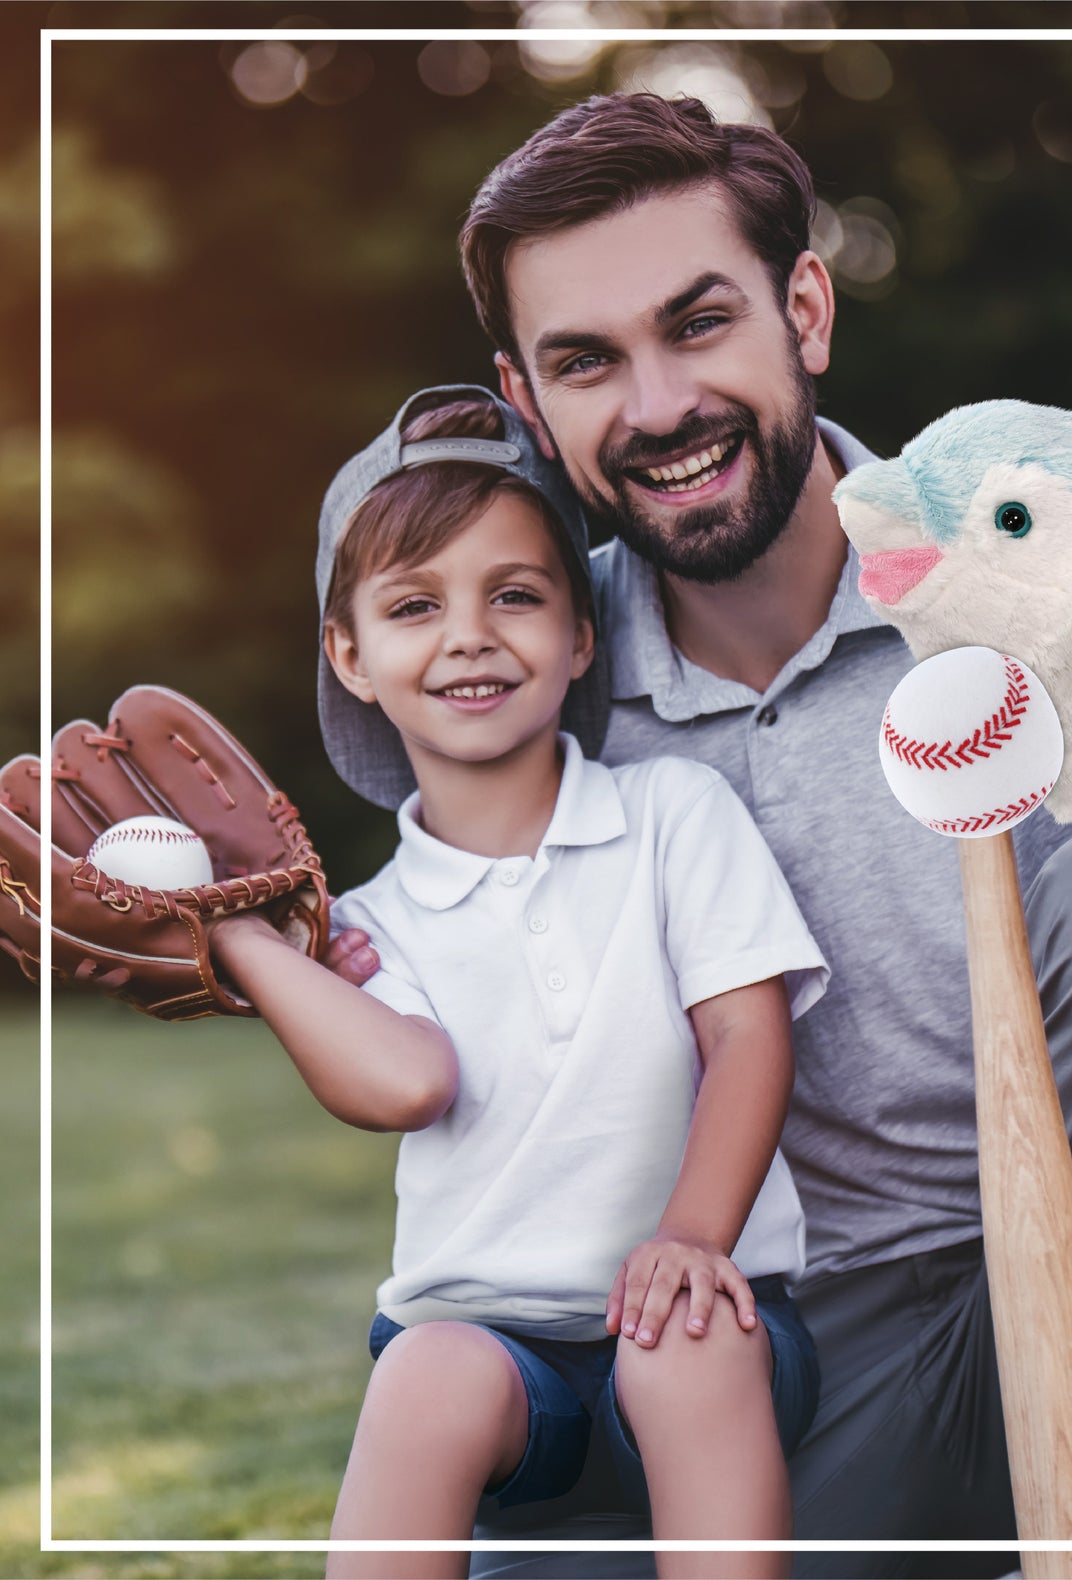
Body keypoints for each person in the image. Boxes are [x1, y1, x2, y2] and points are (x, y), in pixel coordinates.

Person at [329, 95, 1072, 1579]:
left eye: (699, 322)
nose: (656, 406)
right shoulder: (531, 661)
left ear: (805, 309)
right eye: (587, 361)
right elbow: (321, 874)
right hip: (747, 1364)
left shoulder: (1025, 553)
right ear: (526, 401)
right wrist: (172, 925)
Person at [211, 386, 829, 1580]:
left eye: (514, 594)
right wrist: (245, 940)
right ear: (349, 653)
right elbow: (404, 1082)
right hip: (500, 1368)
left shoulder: (670, 816)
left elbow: (749, 1039)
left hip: (710, 1317)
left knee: (684, 1336)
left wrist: (692, 1237)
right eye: (410, 605)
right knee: (425, 1371)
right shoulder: (368, 926)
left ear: (580, 631)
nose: (468, 635)